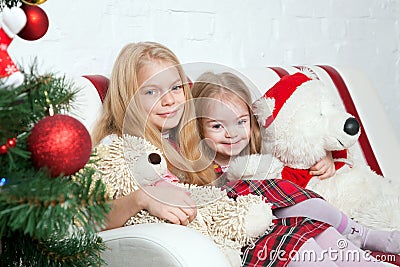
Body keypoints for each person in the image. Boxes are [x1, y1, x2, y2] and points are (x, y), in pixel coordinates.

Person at [191, 71, 399, 266]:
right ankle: (360, 236)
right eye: (217, 126)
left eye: (240, 122)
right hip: (250, 235)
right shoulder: (201, 169)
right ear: (198, 126)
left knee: (317, 229)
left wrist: (329, 159)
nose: (231, 133)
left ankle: (363, 242)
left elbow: (301, 159)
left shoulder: (260, 153)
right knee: (299, 240)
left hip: (291, 224)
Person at [92, 41, 217, 229]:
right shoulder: (114, 147)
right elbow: (89, 221)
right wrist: (142, 197)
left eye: (176, 88)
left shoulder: (182, 139)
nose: (169, 100)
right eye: (152, 92)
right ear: (129, 98)